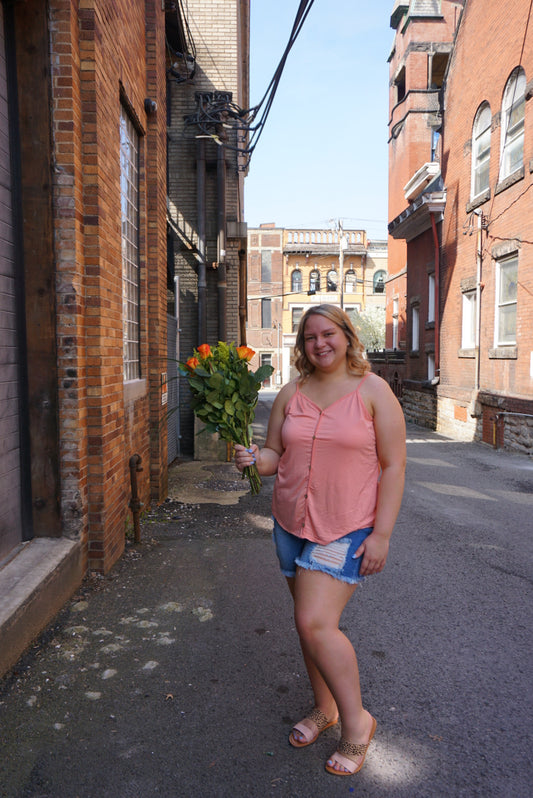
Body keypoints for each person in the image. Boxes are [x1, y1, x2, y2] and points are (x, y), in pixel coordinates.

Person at [234, 304, 406, 777]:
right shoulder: (293, 392)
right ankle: (323, 706)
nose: (320, 344)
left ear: (348, 336)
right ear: (302, 345)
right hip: (290, 523)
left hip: (345, 525)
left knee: (314, 622)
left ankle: (357, 724)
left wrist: (382, 535)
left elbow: (393, 466)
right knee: (305, 622)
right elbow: (274, 454)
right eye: (310, 337)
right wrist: (253, 457)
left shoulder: (374, 391)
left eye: (328, 334)